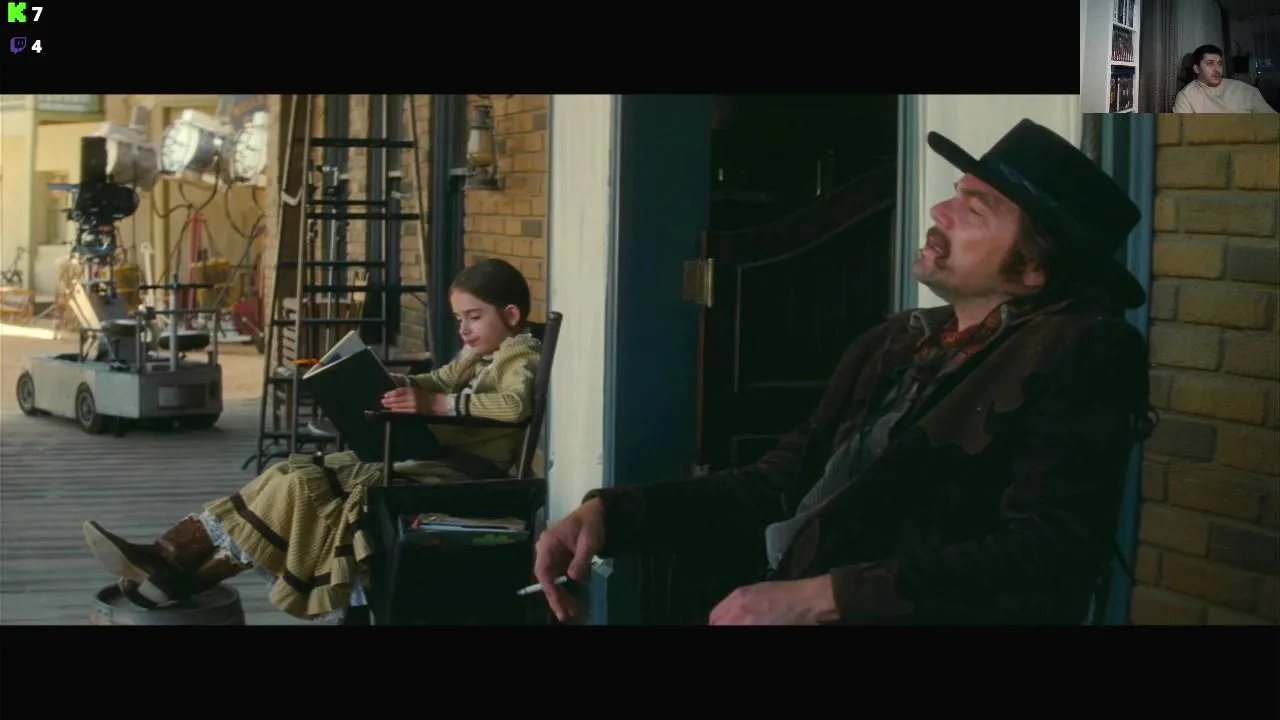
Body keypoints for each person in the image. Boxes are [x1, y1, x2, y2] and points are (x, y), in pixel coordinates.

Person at [534, 119, 1156, 626]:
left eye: (976, 208)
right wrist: (610, 514)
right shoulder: (897, 341)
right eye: (955, 193)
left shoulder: (1082, 349)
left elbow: (1048, 551)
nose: (939, 210)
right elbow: (779, 483)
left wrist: (821, 598)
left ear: (1034, 269)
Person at [83, 257, 542, 621]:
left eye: (474, 317)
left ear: (511, 315)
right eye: (460, 318)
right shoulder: (478, 355)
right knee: (285, 472)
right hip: (428, 457)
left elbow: (514, 405)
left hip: (456, 473)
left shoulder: (520, 356)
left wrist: (435, 405)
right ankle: (167, 557)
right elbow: (440, 380)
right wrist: (391, 382)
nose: (464, 329)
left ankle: (177, 574)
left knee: (303, 486)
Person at [1173, 44, 1278, 113]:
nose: (1217, 69)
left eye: (1219, 64)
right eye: (1210, 63)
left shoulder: (1246, 91)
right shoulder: (1186, 97)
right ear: (1197, 69)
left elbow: (1273, 123)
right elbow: (1182, 133)